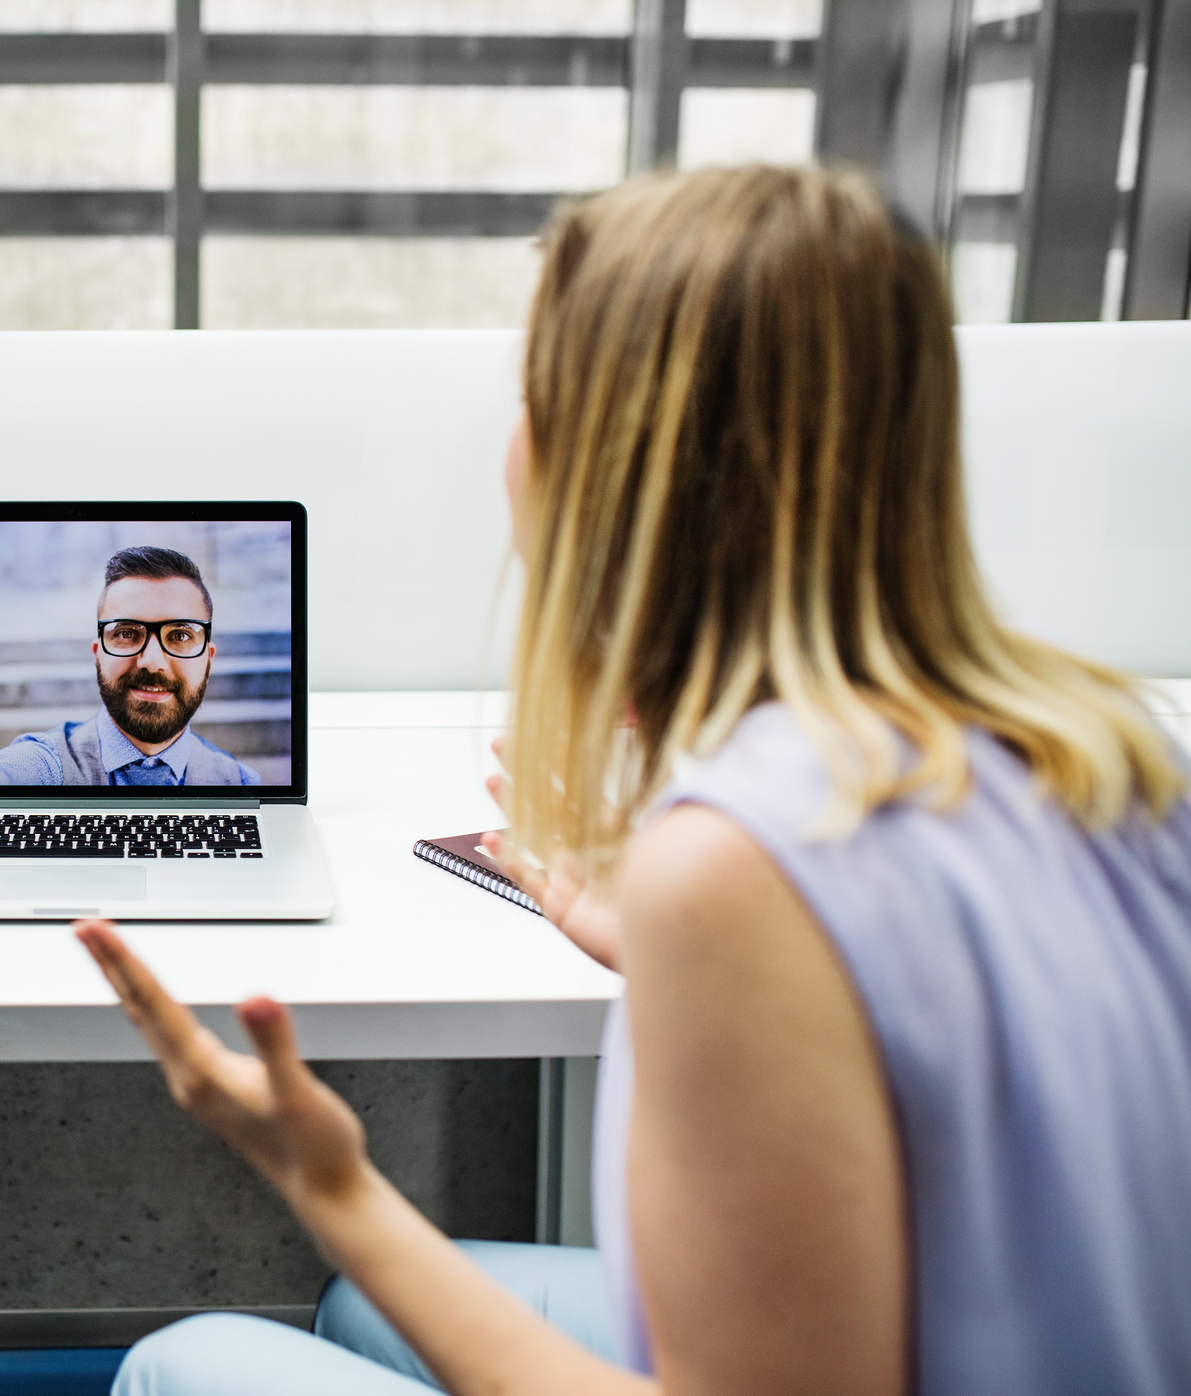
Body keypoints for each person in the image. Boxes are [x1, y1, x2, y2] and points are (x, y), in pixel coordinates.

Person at [79, 164, 1191, 1396]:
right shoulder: (1112, 741)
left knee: (183, 1362)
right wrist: (672, 948)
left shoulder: (736, 868)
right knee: (360, 1312)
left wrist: (327, 1182)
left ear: (616, 466)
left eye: (533, 394)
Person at [0, 545, 261, 787]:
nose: (152, 661)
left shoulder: (242, 784)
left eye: (180, 635)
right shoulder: (47, 763)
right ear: (98, 652)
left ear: (208, 659)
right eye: (126, 633)